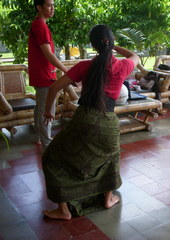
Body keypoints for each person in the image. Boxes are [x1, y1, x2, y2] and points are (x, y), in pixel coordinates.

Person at [41, 24, 139, 220]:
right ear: (109, 43)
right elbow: (135, 55)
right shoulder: (121, 66)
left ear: (93, 46)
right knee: (110, 159)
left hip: (83, 119)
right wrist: (113, 46)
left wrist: (48, 111)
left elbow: (54, 89)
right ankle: (108, 199)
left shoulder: (85, 66)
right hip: (109, 124)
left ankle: (63, 210)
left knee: (51, 157)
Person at [28, 0, 67, 148]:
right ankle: (46, 142)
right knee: (47, 109)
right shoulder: (40, 25)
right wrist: (65, 70)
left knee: (41, 107)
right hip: (44, 75)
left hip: (41, 74)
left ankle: (39, 136)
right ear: (39, 7)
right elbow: (48, 54)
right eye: (49, 5)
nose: (53, 9)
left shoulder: (39, 24)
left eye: (53, 5)